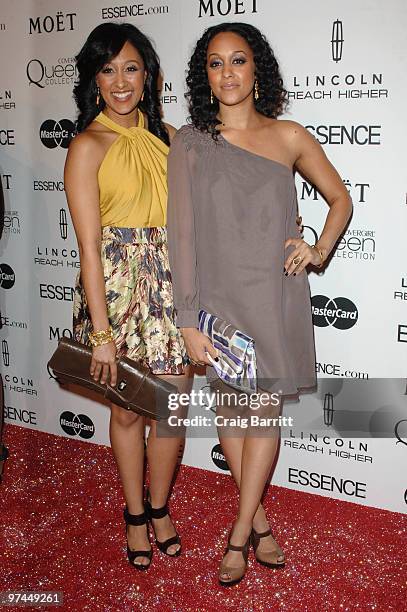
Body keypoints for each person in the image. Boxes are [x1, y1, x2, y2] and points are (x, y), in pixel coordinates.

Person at [167, 22, 352, 586]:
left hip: (273, 297)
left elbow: (340, 200)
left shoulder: (289, 135)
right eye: (216, 62)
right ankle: (261, 522)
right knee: (232, 417)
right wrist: (187, 317)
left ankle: (239, 534)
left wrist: (316, 249)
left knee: (262, 415)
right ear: (206, 74)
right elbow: (182, 236)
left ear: (257, 68)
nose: (227, 73)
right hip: (218, 306)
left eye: (238, 60)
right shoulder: (191, 142)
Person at [64, 22, 191, 570]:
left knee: (172, 411)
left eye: (131, 68)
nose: (120, 81)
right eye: (108, 69)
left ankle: (160, 506)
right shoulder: (87, 145)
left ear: (149, 75)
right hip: (115, 293)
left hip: (173, 283)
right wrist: (101, 336)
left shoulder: (172, 137)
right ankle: (135, 513)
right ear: (95, 78)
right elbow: (90, 249)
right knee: (128, 415)